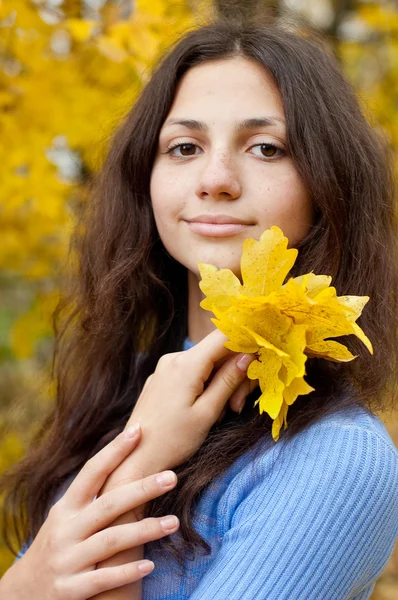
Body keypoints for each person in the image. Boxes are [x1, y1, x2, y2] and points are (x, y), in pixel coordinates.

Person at [1, 15, 398, 600]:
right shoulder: (122, 394)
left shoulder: (339, 457)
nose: (215, 179)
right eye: (184, 147)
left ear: (326, 186)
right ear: (149, 179)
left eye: (266, 148)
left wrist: (137, 465)